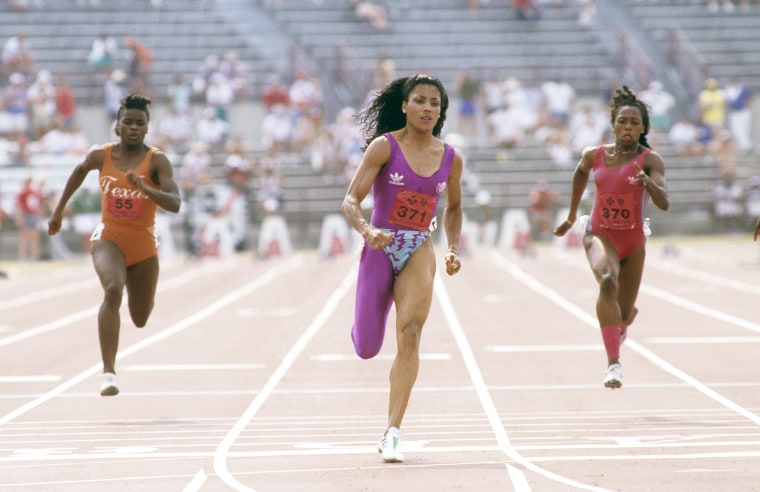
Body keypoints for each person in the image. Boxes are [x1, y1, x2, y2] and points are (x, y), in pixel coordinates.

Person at [341, 73, 463, 463]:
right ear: (405, 106)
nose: (428, 108)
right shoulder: (384, 147)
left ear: (440, 111)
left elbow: (455, 207)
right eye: (421, 101)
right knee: (367, 347)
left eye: (435, 103)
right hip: (380, 246)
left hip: (418, 247)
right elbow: (350, 200)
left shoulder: (450, 158)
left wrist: (453, 247)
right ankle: (362, 326)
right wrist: (367, 230)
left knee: (410, 332)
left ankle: (392, 430)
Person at [47, 93, 181, 396]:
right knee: (112, 289)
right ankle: (108, 372)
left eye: (140, 123)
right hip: (109, 236)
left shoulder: (157, 160)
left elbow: (175, 203)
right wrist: (58, 212)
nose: (133, 127)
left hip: (144, 244)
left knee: (140, 317)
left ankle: (140, 288)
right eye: (128, 122)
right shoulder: (101, 155)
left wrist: (145, 186)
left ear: (147, 128)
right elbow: (79, 171)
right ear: (117, 126)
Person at [554, 85, 669, 389]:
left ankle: (622, 321)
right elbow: (580, 172)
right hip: (599, 234)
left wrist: (649, 185)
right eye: (623, 121)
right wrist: (570, 215)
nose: (628, 127)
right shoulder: (595, 155)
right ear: (613, 125)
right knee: (607, 281)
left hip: (633, 241)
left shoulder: (650, 160)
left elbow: (664, 202)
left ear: (643, 127)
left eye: (634, 122)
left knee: (625, 311)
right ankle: (613, 364)